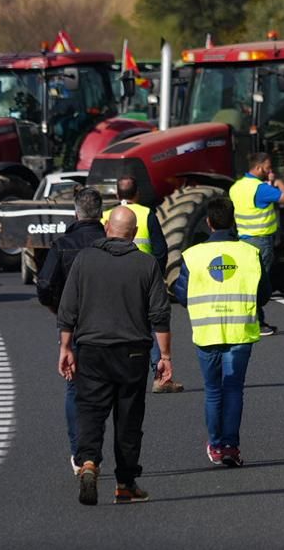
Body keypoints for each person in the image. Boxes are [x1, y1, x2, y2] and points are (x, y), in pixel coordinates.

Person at [57, 206, 171, 506]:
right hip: (133, 353)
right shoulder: (146, 264)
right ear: (133, 234)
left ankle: (89, 463)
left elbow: (68, 308)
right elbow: (160, 314)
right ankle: (125, 483)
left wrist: (65, 347)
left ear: (107, 227)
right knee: (129, 420)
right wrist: (166, 357)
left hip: (92, 350)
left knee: (90, 412)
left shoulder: (84, 260)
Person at [171, 197, 260, 467]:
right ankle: (232, 446)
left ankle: (217, 445)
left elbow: (182, 294)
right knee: (234, 390)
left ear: (208, 222)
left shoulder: (193, 256)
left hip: (207, 332)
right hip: (239, 332)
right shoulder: (250, 253)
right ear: (233, 220)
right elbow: (264, 292)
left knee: (213, 391)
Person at [36, 189, 107, 470]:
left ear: (76, 213)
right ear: (101, 213)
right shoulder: (110, 243)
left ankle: (81, 454)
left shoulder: (62, 244)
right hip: (113, 326)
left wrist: (58, 309)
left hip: (76, 327)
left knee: (75, 390)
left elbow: (44, 286)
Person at [117, 175, 182, 395]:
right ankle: (161, 376)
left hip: (114, 279)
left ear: (117, 195)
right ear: (137, 194)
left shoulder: (108, 215)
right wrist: (156, 275)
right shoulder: (146, 214)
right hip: (144, 277)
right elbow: (161, 250)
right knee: (154, 326)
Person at [227, 152, 284, 337]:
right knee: (258, 285)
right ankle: (256, 321)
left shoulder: (237, 187)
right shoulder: (260, 188)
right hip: (261, 240)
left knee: (249, 282)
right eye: (267, 167)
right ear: (258, 167)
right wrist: (278, 181)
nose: (269, 170)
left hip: (244, 238)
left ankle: (254, 320)